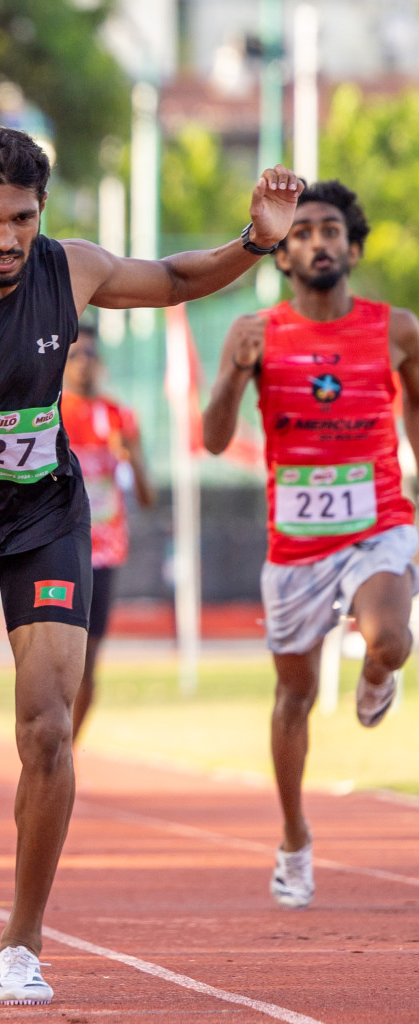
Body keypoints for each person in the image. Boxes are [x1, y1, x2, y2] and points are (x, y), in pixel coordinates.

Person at [0, 124, 300, 1006]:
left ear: (42, 213)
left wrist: (254, 244)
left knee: (47, 727)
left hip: (45, 519)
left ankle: (23, 940)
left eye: (23, 218)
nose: (7, 239)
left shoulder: (68, 268)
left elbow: (172, 280)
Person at [202, 179, 419, 910]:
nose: (318, 241)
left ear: (352, 249)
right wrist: (234, 370)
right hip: (295, 540)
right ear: (283, 255)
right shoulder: (254, 332)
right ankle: (294, 837)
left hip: (378, 520)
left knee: (392, 635)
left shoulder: (397, 329)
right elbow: (213, 438)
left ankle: (377, 672)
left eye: (331, 231)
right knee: (293, 693)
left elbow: (416, 403)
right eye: (302, 233)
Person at [60, 326, 154, 737]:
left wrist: (131, 456)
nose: (84, 364)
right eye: (74, 356)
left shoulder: (119, 417)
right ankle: (46, 737)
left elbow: (148, 496)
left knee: (89, 656)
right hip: (55, 545)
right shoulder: (50, 412)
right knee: (54, 654)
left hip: (103, 550)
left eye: (91, 355)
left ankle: (68, 749)